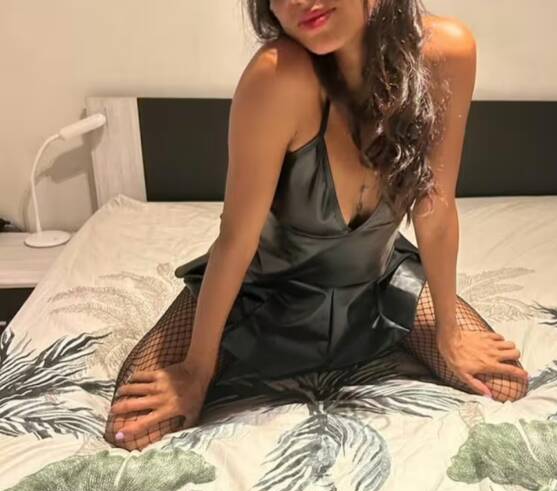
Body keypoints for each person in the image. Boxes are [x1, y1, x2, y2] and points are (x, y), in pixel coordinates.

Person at [104, 0, 529, 452]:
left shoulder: (447, 52)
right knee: (132, 429)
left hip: (378, 287)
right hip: (263, 297)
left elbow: (436, 207)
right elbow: (236, 241)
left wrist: (449, 332)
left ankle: (390, 337)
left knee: (504, 385)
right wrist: (196, 369)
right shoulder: (277, 77)